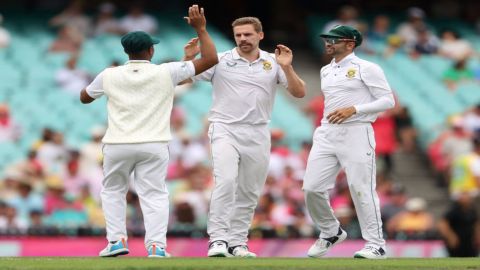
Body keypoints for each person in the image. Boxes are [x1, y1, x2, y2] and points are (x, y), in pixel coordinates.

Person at [79, 5, 218, 258]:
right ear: (151, 50)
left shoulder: (109, 74)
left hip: (117, 143)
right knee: (154, 194)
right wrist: (201, 29)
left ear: (125, 51)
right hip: (154, 143)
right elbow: (210, 60)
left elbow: (84, 97)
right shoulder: (166, 71)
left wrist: (107, 88)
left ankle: (116, 242)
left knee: (113, 191)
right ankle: (156, 246)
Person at [182, 16, 306, 257]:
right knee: (226, 182)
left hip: (258, 131)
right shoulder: (220, 60)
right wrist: (188, 58)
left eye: (247, 34)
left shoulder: (274, 61)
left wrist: (287, 67)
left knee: (249, 191)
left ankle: (238, 242)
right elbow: (184, 78)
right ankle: (217, 240)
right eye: (238, 35)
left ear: (260, 35)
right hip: (225, 128)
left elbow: (299, 92)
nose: (242, 39)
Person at [303, 25, 394, 259]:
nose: (328, 42)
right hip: (326, 132)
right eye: (326, 39)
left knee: (360, 188)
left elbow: (387, 101)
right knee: (312, 188)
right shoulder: (326, 70)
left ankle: (376, 244)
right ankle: (331, 231)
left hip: (356, 132)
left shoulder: (367, 68)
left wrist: (354, 109)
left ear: (350, 44)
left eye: (334, 39)